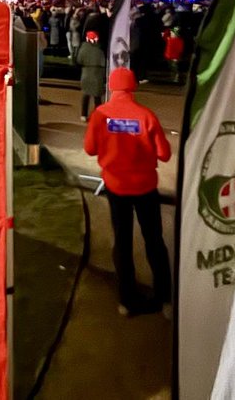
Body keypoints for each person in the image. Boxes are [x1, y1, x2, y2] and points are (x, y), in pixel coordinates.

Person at [84, 67, 172, 317]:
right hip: (145, 187)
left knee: (122, 242)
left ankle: (127, 300)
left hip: (116, 187)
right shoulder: (146, 116)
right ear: (133, 86)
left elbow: (90, 149)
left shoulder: (100, 115)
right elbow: (164, 154)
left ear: (112, 86)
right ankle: (164, 299)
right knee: (154, 240)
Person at [74, 30, 106, 121]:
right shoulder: (99, 49)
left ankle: (83, 115)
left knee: (86, 94)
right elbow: (103, 62)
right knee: (97, 96)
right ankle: (98, 115)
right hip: (97, 73)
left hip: (86, 73)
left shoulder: (83, 48)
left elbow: (79, 60)